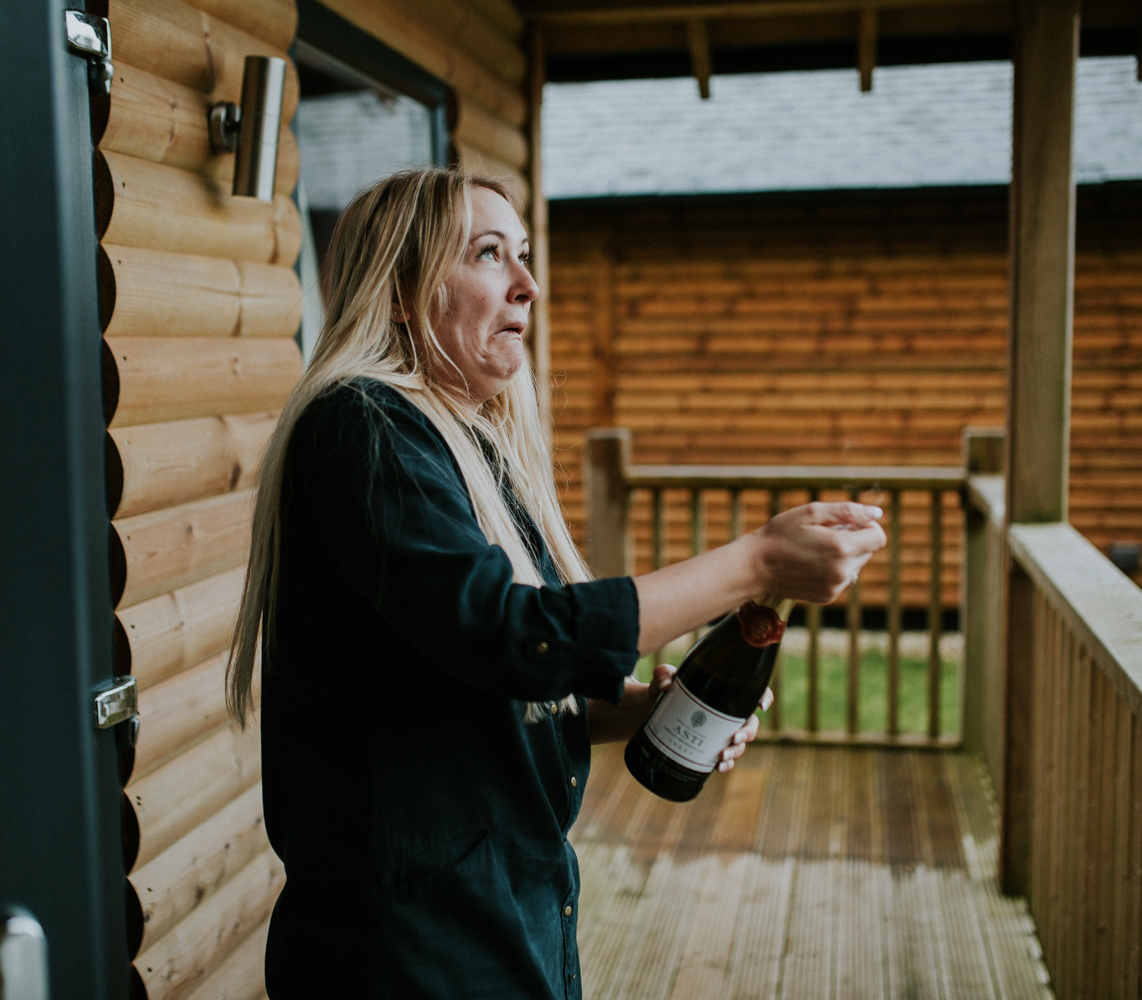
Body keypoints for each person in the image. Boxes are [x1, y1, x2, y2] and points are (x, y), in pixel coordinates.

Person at [227, 168, 886, 999]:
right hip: (407, 949)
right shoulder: (362, 427)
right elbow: (509, 633)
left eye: (525, 255)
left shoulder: (470, 445)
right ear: (400, 292)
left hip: (509, 909)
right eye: (490, 254)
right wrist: (756, 564)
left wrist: (639, 709)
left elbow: (472, 676)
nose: (529, 285)